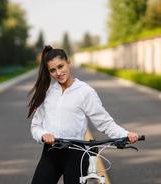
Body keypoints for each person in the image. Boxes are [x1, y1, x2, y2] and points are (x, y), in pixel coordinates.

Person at [28, 45, 138, 184]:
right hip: (51, 153)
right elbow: (36, 126)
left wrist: (125, 134)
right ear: (49, 72)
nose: (58, 73)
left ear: (69, 62)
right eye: (53, 70)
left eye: (61, 66)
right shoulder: (48, 93)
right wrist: (43, 135)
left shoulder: (85, 92)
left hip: (76, 155)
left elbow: (104, 122)